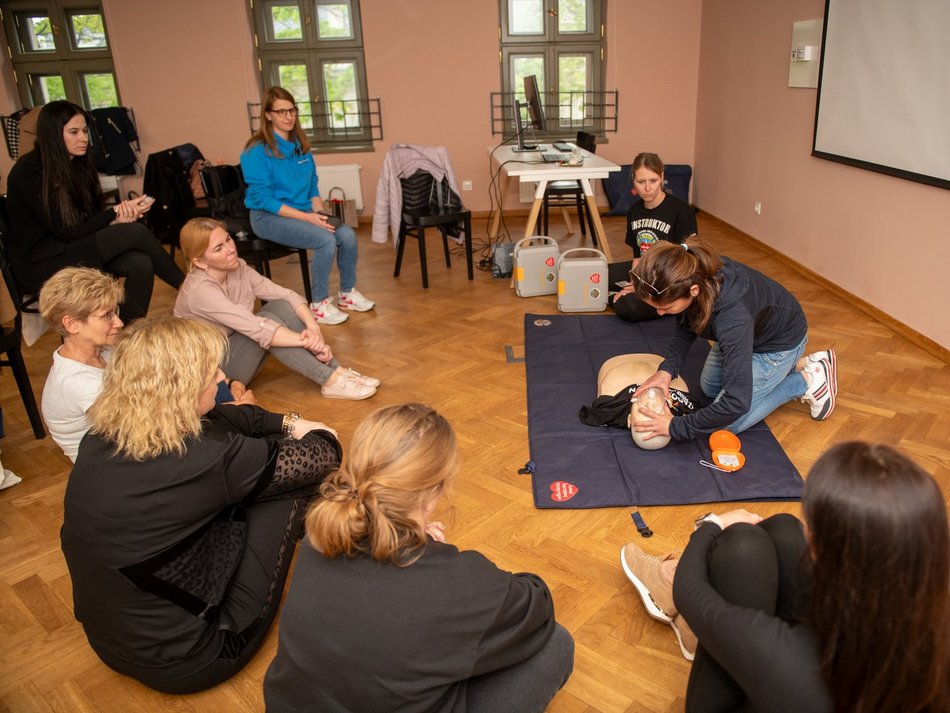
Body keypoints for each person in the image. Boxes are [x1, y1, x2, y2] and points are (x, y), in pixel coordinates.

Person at [60, 317, 342, 694]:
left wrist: (284, 421)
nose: (222, 377)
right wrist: (305, 426)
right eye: (212, 372)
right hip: (195, 658)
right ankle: (345, 570)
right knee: (291, 485)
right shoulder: (207, 459)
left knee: (253, 465)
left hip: (111, 645)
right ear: (184, 389)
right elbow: (325, 451)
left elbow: (224, 418)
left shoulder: (99, 438)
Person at [264, 403, 575, 713]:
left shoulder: (319, 534)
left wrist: (411, 537)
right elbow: (536, 602)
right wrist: (436, 558)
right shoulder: (454, 582)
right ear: (435, 490)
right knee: (555, 644)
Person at [620, 441, 949, 713]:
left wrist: (711, 525)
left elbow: (689, 594)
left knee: (740, 544)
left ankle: (684, 613)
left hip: (782, 681)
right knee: (784, 528)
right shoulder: (928, 613)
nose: (807, 529)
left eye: (812, 525)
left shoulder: (791, 660)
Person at [628, 238, 837, 444]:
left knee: (724, 426)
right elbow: (687, 322)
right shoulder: (692, 272)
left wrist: (675, 427)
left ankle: (809, 379)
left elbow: (737, 402)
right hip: (747, 333)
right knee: (710, 389)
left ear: (694, 291)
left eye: (666, 307)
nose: (660, 313)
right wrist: (666, 370)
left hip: (777, 344)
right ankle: (790, 366)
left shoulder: (733, 318)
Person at [38, 266, 254, 462]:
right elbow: (153, 429)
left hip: (140, 439)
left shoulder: (105, 350)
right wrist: (231, 412)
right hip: (123, 461)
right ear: (72, 324)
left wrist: (226, 384)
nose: (118, 322)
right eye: (106, 316)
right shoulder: (77, 383)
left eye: (115, 312)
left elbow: (165, 382)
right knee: (242, 431)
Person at [6, 100, 184, 322]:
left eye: (84, 131)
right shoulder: (28, 171)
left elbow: (86, 220)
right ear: (52, 134)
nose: (83, 138)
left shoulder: (77, 163)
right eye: (74, 132)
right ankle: (190, 290)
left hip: (71, 245)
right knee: (136, 232)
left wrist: (116, 219)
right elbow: (67, 230)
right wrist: (114, 214)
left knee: (141, 264)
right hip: (43, 260)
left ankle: (123, 335)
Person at [174, 217, 379, 400]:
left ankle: (337, 371)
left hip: (235, 347)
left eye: (228, 239)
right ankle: (328, 379)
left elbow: (287, 295)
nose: (230, 249)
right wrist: (308, 341)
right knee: (266, 324)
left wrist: (313, 327)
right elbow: (258, 328)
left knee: (279, 306)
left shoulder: (238, 267)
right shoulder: (200, 291)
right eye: (218, 248)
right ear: (200, 262)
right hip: (214, 374)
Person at [240, 86, 373, 325]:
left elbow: (312, 189)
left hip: (304, 212)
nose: (288, 116)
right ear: (268, 115)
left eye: (292, 110)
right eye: (281, 112)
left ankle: (347, 294)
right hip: (267, 216)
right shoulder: (255, 152)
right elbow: (264, 199)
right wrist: (309, 218)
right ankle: (319, 305)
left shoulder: (300, 147)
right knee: (325, 240)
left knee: (347, 235)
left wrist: (320, 214)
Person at [608, 153, 698, 322]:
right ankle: (624, 295)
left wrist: (642, 288)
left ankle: (615, 297)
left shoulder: (681, 210)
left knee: (629, 307)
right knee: (601, 274)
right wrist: (635, 283)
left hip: (671, 277)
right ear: (633, 181)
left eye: (653, 180)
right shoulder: (634, 211)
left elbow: (688, 260)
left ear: (662, 177)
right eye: (641, 182)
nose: (647, 188)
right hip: (645, 270)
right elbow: (638, 255)